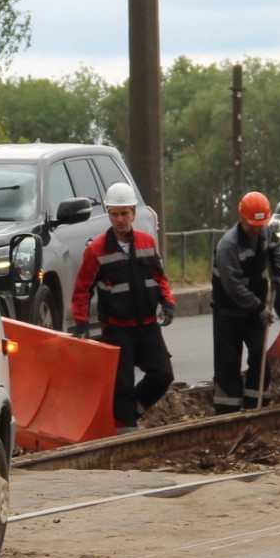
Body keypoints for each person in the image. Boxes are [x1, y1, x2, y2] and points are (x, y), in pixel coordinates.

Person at [71, 182, 177, 433]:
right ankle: (124, 431)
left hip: (148, 326)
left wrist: (168, 303)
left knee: (163, 375)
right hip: (117, 329)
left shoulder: (147, 242)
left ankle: (131, 412)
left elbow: (160, 277)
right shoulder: (96, 250)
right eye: (114, 214)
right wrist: (81, 323)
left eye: (124, 213)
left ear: (133, 214)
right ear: (108, 214)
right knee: (122, 384)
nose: (120, 219)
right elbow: (82, 289)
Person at [210, 190, 280, 412]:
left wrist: (278, 273)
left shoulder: (266, 232)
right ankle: (227, 410)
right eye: (251, 224)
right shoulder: (228, 246)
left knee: (258, 353)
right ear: (241, 218)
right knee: (228, 362)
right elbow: (233, 287)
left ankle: (257, 403)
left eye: (259, 224)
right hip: (228, 312)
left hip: (255, 309)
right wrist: (259, 307)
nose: (255, 229)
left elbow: (277, 252)